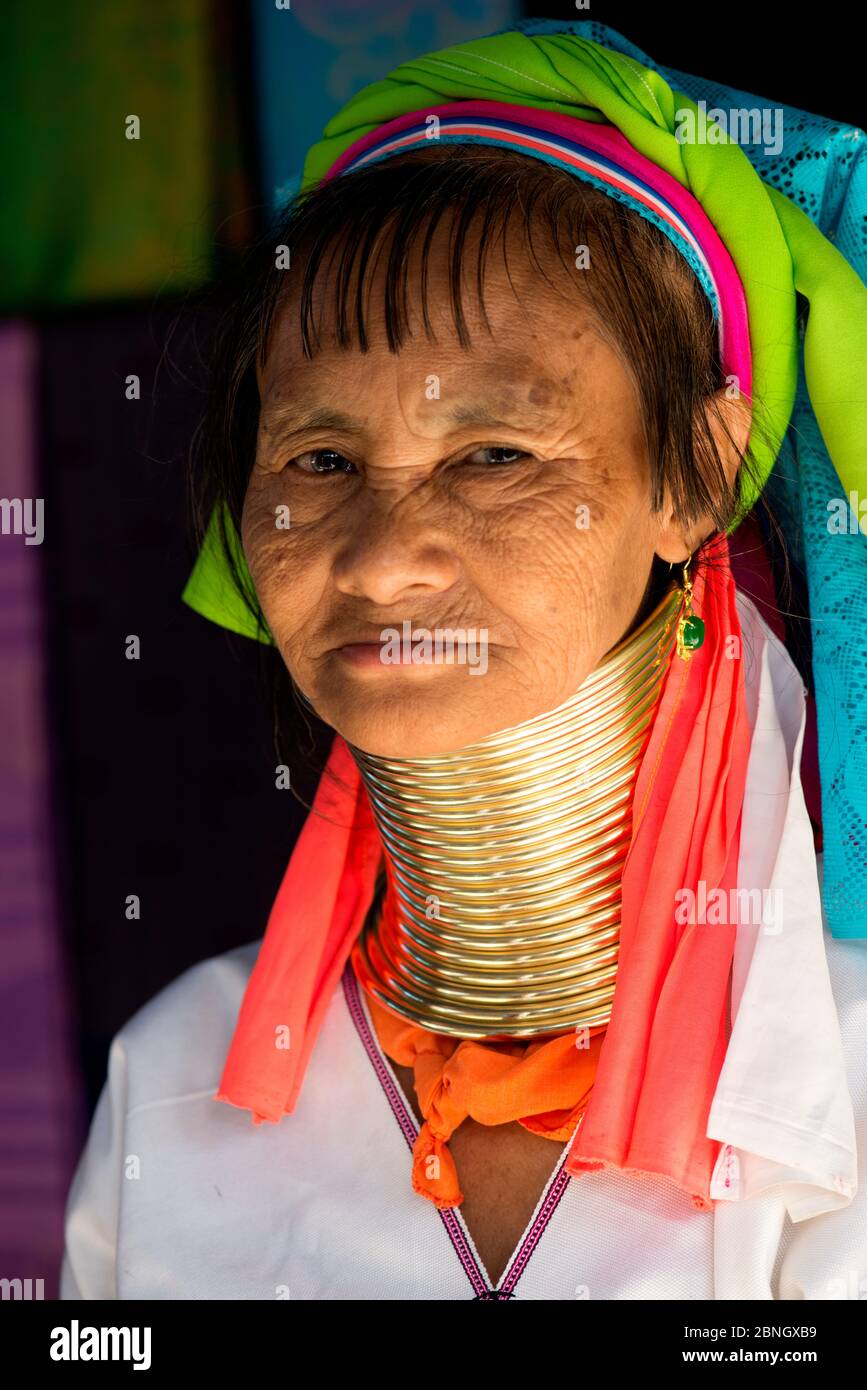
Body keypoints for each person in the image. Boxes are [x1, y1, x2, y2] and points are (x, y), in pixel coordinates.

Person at [59, 19, 867, 1300]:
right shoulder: (170, 1079)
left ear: (693, 473)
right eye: (319, 463)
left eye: (494, 456)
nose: (385, 561)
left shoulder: (852, 1083)